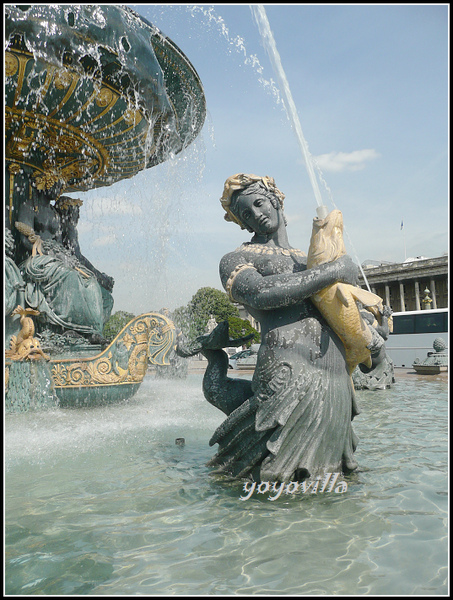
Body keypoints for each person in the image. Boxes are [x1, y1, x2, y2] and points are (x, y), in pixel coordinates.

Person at [207, 173, 361, 482]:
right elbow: (260, 293)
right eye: (247, 214)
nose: (257, 215)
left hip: (334, 375)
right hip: (287, 373)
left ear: (277, 200)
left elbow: (344, 305)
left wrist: (368, 324)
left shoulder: (311, 258)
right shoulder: (237, 258)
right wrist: (332, 271)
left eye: (260, 204)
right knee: (276, 480)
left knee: (328, 479)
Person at [15, 176, 113, 342]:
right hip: (36, 257)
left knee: (89, 282)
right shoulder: (29, 206)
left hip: (57, 258)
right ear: (45, 184)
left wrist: (65, 257)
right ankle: (67, 327)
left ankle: (89, 330)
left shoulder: (55, 213)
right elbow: (25, 240)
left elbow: (61, 243)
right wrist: (47, 250)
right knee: (69, 276)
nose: (59, 190)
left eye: (61, 187)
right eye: (57, 186)